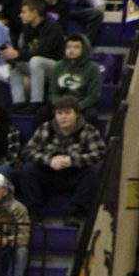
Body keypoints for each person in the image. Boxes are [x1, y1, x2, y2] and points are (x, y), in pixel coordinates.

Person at [16, 95, 106, 227]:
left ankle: (74, 212)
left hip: (74, 175)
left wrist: (73, 160)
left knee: (94, 171)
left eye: (67, 113)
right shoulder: (46, 128)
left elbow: (100, 153)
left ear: (76, 114)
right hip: (49, 173)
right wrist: (49, 160)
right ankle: (34, 212)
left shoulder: (89, 130)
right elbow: (28, 151)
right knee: (28, 170)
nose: (63, 117)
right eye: (59, 113)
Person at [4, 0, 63, 109]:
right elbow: (26, 51)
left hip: (56, 67)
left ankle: (36, 102)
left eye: (24, 12)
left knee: (36, 61)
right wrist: (12, 56)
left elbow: (44, 51)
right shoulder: (27, 28)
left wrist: (19, 54)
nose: (21, 15)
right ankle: (18, 102)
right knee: (14, 66)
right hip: (37, 66)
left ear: (35, 12)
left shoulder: (51, 27)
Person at [47, 34, 100, 126]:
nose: (71, 50)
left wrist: (76, 107)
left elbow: (93, 95)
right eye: (69, 47)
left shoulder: (93, 68)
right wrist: (60, 106)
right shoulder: (57, 66)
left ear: (84, 49)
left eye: (76, 47)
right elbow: (53, 92)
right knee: (41, 114)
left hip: (82, 104)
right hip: (61, 104)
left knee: (91, 115)